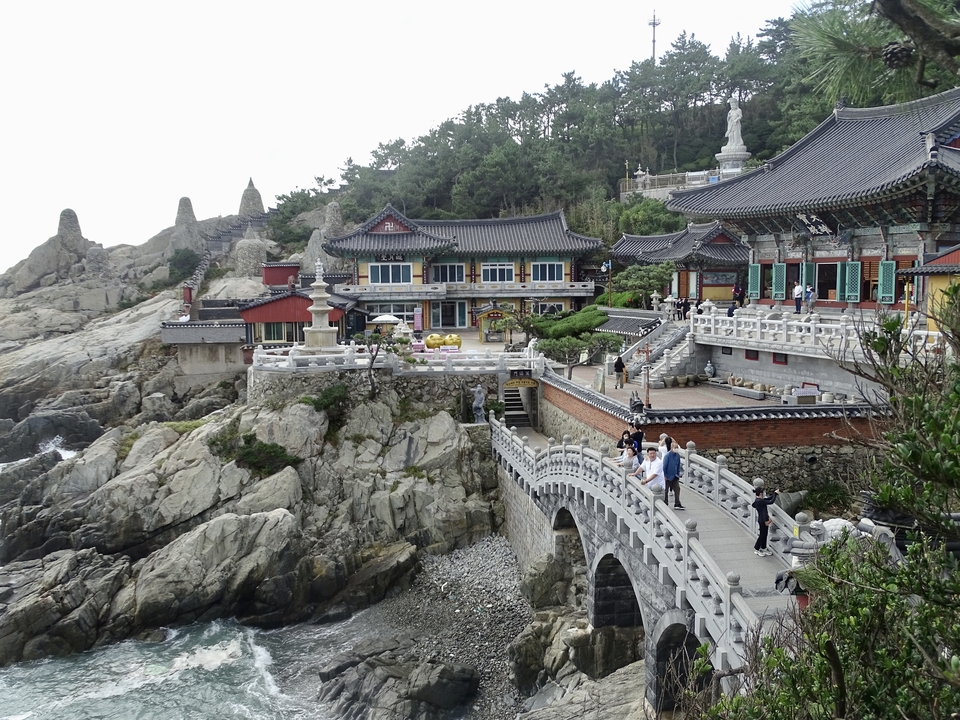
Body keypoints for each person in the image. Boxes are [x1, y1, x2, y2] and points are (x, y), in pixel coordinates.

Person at [752, 486, 779, 556]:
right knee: (762, 535)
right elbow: (771, 501)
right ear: (761, 493)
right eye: (763, 492)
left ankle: (764, 547)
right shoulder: (760, 501)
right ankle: (757, 548)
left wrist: (774, 493)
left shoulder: (759, 500)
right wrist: (775, 495)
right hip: (762, 520)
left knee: (765, 534)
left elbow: (768, 499)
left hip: (763, 519)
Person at [661, 438, 684, 509]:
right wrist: (664, 475)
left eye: (677, 447)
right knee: (666, 490)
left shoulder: (677, 455)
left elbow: (678, 465)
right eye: (675, 447)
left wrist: (678, 473)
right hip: (667, 475)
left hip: (675, 475)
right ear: (671, 447)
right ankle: (665, 502)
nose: (676, 449)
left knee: (677, 489)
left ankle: (677, 503)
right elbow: (664, 466)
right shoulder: (667, 456)